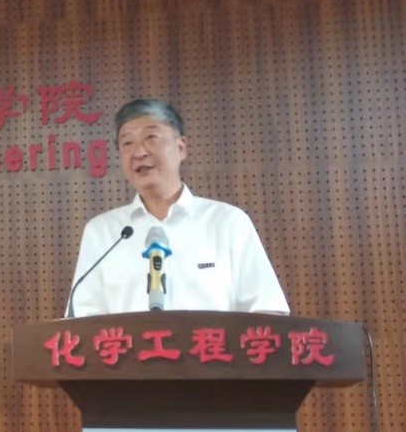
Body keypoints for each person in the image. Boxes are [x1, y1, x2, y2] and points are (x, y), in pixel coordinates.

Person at [68, 98, 289, 317]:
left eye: (151, 138)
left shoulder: (228, 222)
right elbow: (82, 322)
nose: (139, 152)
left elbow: (267, 310)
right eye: (127, 143)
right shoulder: (103, 233)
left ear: (181, 148)